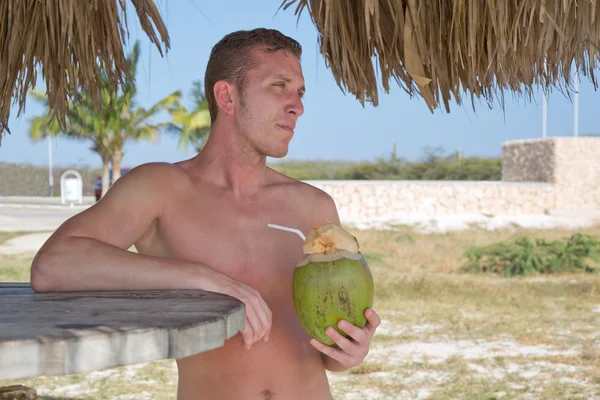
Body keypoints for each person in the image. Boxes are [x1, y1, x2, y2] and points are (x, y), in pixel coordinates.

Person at [30, 28, 380, 399]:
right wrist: (204, 278)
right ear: (227, 96)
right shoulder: (161, 188)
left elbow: (327, 352)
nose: (298, 105)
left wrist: (347, 352)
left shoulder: (314, 206)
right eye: (279, 86)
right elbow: (53, 267)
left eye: (300, 91)